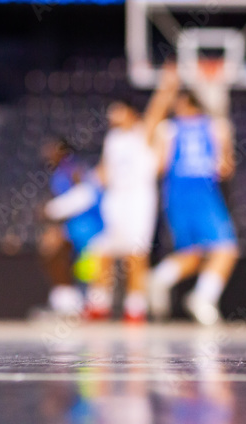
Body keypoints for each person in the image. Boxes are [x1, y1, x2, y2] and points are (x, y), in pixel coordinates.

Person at [86, 67, 180, 322]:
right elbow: (104, 172)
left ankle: (135, 308)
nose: (112, 116)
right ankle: (98, 304)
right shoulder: (113, 139)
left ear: (129, 112)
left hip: (139, 200)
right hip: (115, 201)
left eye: (117, 110)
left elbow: (158, 108)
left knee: (135, 254)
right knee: (102, 251)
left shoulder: (143, 132)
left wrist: (167, 84)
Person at [147, 87, 238, 326]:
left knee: (193, 252)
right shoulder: (217, 127)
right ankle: (202, 298)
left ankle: (159, 278)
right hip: (203, 195)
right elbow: (225, 168)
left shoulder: (167, 129)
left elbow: (158, 166)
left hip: (175, 196)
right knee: (226, 248)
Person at [39, 138, 104, 316]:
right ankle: (66, 299)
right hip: (74, 230)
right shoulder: (59, 173)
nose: (47, 153)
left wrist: (53, 209)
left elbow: (85, 195)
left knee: (89, 273)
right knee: (52, 249)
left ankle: (87, 305)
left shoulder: (74, 169)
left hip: (90, 231)